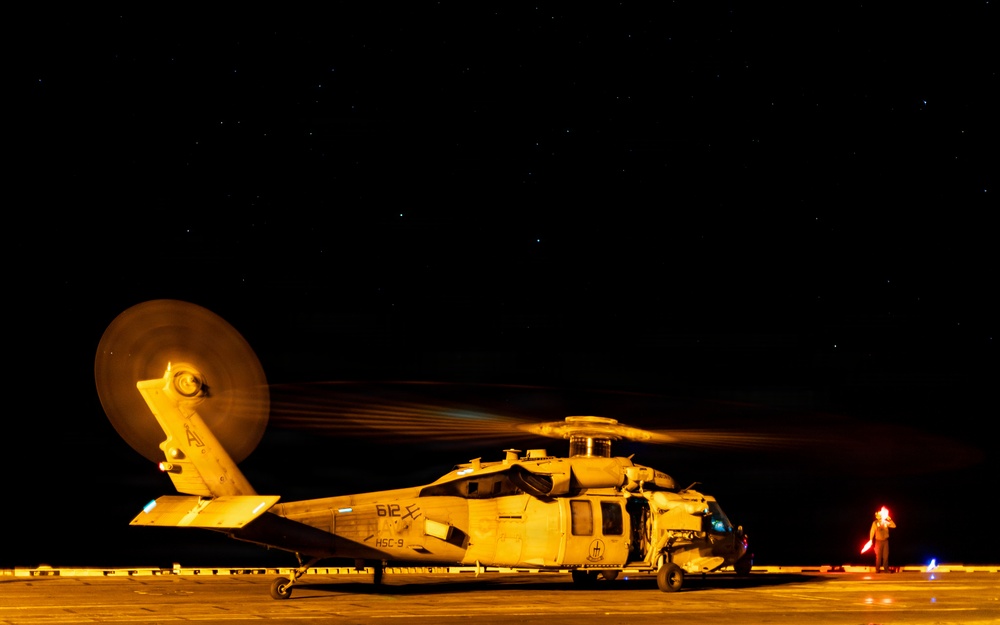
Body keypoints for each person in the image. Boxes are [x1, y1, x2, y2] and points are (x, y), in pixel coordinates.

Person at [869, 507, 897, 573]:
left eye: (879, 515)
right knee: (878, 557)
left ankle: (886, 570)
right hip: (878, 541)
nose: (878, 516)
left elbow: (894, 526)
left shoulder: (885, 522)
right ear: (876, 516)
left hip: (885, 541)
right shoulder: (875, 523)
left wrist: (890, 520)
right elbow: (872, 531)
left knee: (886, 556)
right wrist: (870, 540)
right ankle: (877, 569)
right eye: (877, 515)